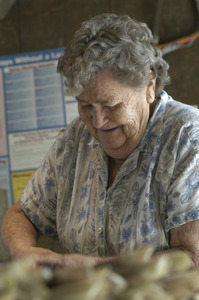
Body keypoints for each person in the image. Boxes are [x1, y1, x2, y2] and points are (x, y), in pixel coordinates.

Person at [1, 13, 199, 268]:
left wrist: (91, 271)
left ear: (149, 86)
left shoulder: (187, 138)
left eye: (111, 105)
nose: (97, 122)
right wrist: (24, 252)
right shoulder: (75, 140)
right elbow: (22, 214)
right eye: (85, 106)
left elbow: (192, 257)